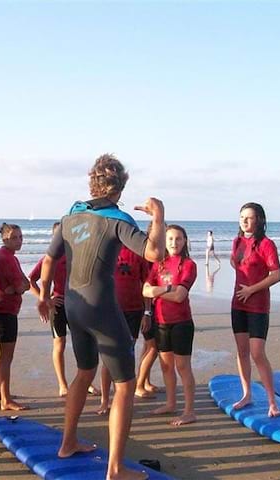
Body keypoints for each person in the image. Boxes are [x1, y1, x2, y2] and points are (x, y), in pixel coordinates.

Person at [38, 153, 165, 480]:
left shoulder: (70, 217)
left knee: (84, 371)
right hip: (101, 307)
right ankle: (116, 468)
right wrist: (159, 215)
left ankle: (67, 443)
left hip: (72, 306)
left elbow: (49, 261)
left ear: (92, 183)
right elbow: (154, 253)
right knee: (125, 383)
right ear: (119, 188)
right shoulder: (118, 219)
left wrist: (42, 296)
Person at [28, 222, 100, 398]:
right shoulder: (49, 259)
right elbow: (31, 280)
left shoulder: (79, 256)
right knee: (59, 343)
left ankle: (85, 381)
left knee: (81, 344)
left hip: (79, 305)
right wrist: (45, 299)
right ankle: (62, 384)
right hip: (58, 305)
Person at [230, 202, 280, 417]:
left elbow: (276, 275)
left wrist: (251, 289)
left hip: (258, 306)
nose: (244, 221)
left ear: (259, 220)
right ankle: (247, 394)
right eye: (242, 217)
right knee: (242, 352)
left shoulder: (267, 244)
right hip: (237, 304)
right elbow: (237, 263)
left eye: (249, 217)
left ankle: (272, 402)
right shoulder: (237, 241)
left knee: (257, 353)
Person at [143, 225, 197, 426]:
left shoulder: (189, 265)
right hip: (161, 322)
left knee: (183, 367)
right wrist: (167, 288)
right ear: (165, 241)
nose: (174, 243)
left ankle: (189, 411)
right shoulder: (159, 264)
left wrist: (157, 291)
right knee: (166, 366)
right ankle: (171, 404)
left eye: (178, 239)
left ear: (185, 241)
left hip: (182, 322)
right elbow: (145, 291)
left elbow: (180, 296)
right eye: (171, 239)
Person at [97, 245, 152, 415]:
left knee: (127, 355)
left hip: (134, 311)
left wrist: (147, 312)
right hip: (110, 310)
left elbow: (146, 284)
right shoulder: (105, 251)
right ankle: (105, 400)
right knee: (108, 357)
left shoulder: (138, 254)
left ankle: (124, 399)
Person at [0, 223, 30, 411]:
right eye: (14, 237)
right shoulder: (5, 258)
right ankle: (5, 398)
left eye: (20, 237)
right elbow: (19, 286)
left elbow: (27, 283)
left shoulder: (10, 257)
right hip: (5, 309)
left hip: (8, 308)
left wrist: (21, 286)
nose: (19, 241)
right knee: (6, 356)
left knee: (1, 354)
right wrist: (19, 287)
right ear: (5, 238)